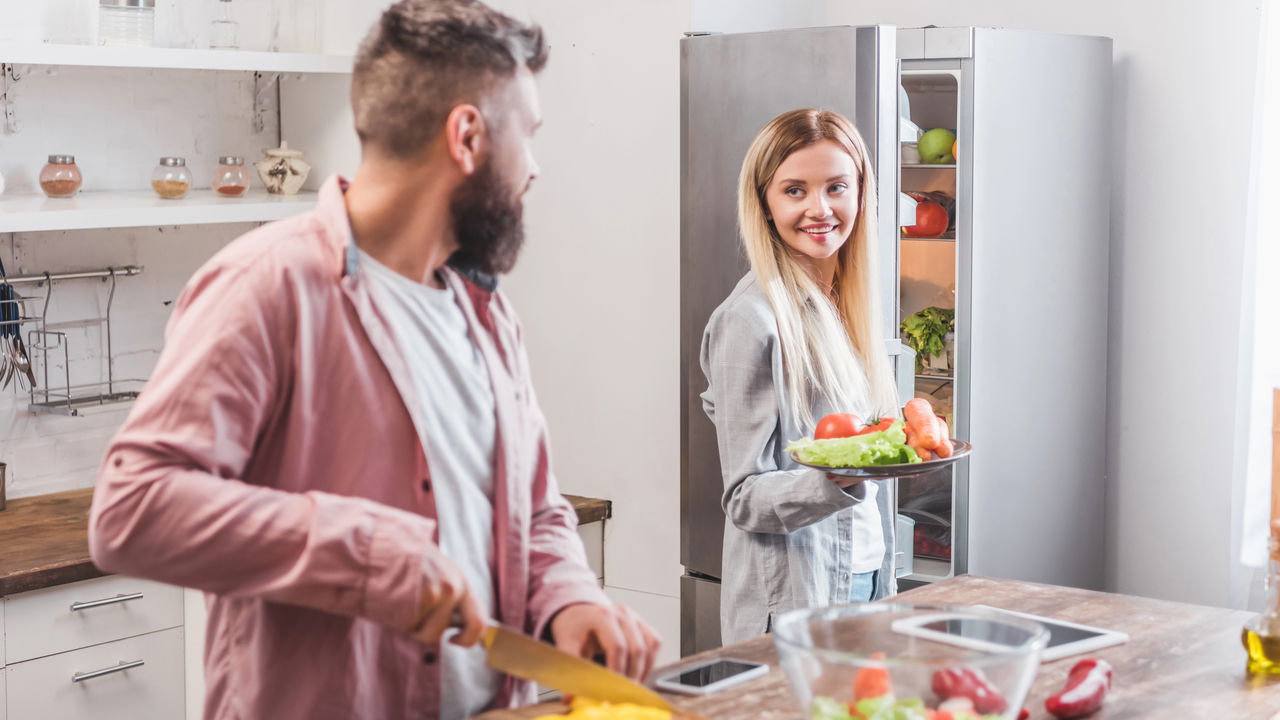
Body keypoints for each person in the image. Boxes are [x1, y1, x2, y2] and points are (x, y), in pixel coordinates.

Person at [87, 1, 659, 718]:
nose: (534, 169)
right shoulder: (266, 285)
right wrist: (367, 554)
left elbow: (534, 509)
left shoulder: (485, 312)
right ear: (467, 136)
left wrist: (569, 600)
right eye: (530, 136)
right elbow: (132, 508)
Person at [700, 108, 900, 645]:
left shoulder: (849, 305)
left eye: (837, 187)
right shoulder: (750, 320)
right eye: (795, 191)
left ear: (861, 192)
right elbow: (744, 497)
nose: (820, 209)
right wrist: (839, 478)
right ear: (765, 205)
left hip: (867, 578)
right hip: (796, 601)